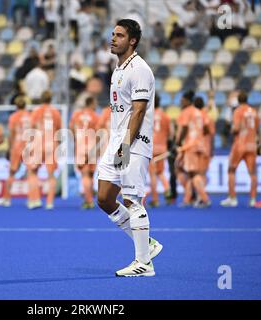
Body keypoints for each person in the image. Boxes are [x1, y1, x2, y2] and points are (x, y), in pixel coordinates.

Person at [96, 19, 162, 277]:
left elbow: (139, 110)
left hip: (134, 143)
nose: (113, 39)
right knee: (103, 198)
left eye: (119, 35)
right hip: (117, 141)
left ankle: (144, 263)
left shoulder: (140, 69)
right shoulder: (118, 69)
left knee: (132, 200)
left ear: (132, 40)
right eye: (112, 34)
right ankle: (149, 244)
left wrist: (125, 144)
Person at [221, 91, 258, 207]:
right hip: (252, 144)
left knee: (231, 170)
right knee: (253, 173)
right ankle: (252, 199)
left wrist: (230, 129)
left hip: (239, 144)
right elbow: (256, 128)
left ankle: (232, 198)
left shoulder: (237, 111)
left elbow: (236, 128)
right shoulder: (254, 112)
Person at [28, 90, 62, 210]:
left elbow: (31, 128)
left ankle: (35, 200)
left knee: (33, 172)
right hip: (51, 144)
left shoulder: (36, 111)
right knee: (51, 175)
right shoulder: (55, 112)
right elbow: (59, 130)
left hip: (38, 144)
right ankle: (49, 202)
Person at [176, 96, 212, 208]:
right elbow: (207, 130)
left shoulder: (187, 112)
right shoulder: (201, 113)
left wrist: (178, 143)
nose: (181, 103)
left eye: (182, 101)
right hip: (201, 145)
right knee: (196, 173)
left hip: (190, 145)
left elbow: (185, 127)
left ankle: (205, 199)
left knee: (193, 173)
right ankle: (188, 199)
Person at [0, 96, 32, 207]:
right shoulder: (30, 116)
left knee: (11, 173)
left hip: (17, 146)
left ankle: (7, 199)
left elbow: (11, 134)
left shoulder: (13, 117)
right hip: (28, 146)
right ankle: (32, 199)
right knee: (31, 174)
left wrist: (9, 148)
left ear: (16, 106)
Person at [69, 96, 99, 209]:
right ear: (91, 103)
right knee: (90, 174)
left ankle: (88, 200)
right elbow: (99, 132)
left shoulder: (76, 115)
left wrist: (77, 139)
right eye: (95, 103)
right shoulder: (95, 116)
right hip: (92, 147)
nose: (96, 105)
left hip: (81, 146)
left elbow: (71, 128)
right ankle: (89, 199)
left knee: (85, 174)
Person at [147, 93, 172, 207]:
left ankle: (155, 199)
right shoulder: (165, 116)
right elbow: (171, 134)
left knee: (152, 174)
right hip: (162, 148)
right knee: (161, 172)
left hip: (150, 147)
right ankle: (167, 190)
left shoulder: (146, 115)